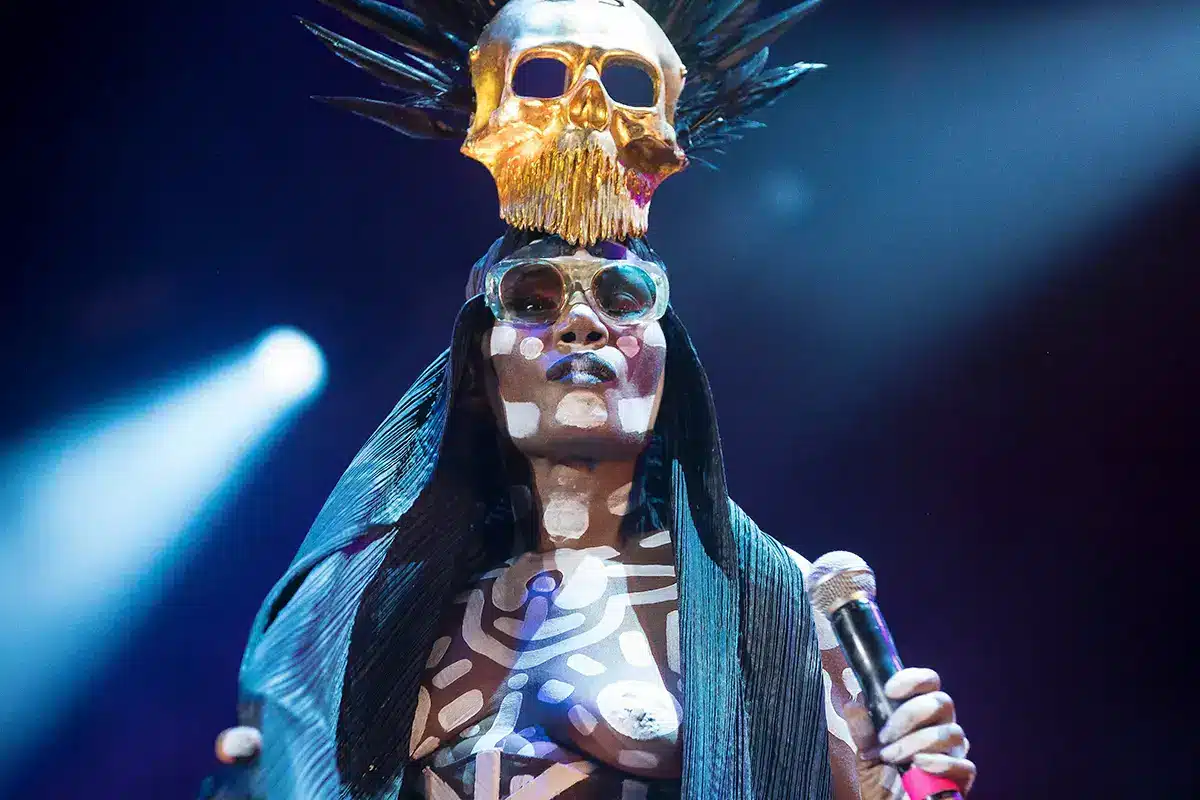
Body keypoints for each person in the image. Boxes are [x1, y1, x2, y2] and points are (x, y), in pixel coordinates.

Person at [201, 2, 976, 798]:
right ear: (477, 360)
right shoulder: (362, 605)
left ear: (670, 357)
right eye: (533, 300)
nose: (581, 323)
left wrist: (901, 784)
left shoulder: (777, 610)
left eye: (624, 295)